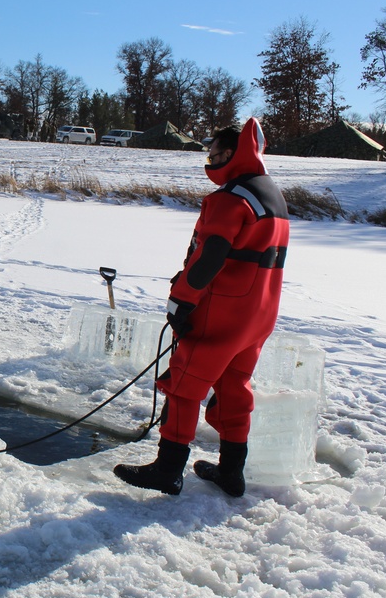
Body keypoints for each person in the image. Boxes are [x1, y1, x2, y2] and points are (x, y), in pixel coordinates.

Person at [113, 117, 290, 497]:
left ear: (232, 153)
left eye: (213, 154)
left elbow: (209, 257)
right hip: (259, 315)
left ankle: (167, 469)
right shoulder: (272, 195)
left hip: (224, 311)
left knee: (185, 384)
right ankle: (231, 472)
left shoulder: (231, 197)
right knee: (233, 387)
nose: (209, 161)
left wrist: (181, 301)